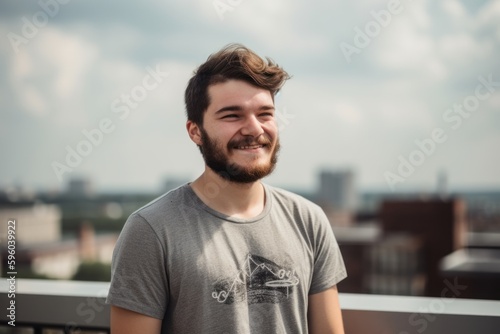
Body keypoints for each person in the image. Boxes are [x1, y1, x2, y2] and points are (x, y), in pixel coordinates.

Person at [106, 43, 347, 333]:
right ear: (195, 131)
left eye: (265, 114)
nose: (254, 129)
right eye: (232, 115)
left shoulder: (309, 221)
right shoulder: (151, 230)